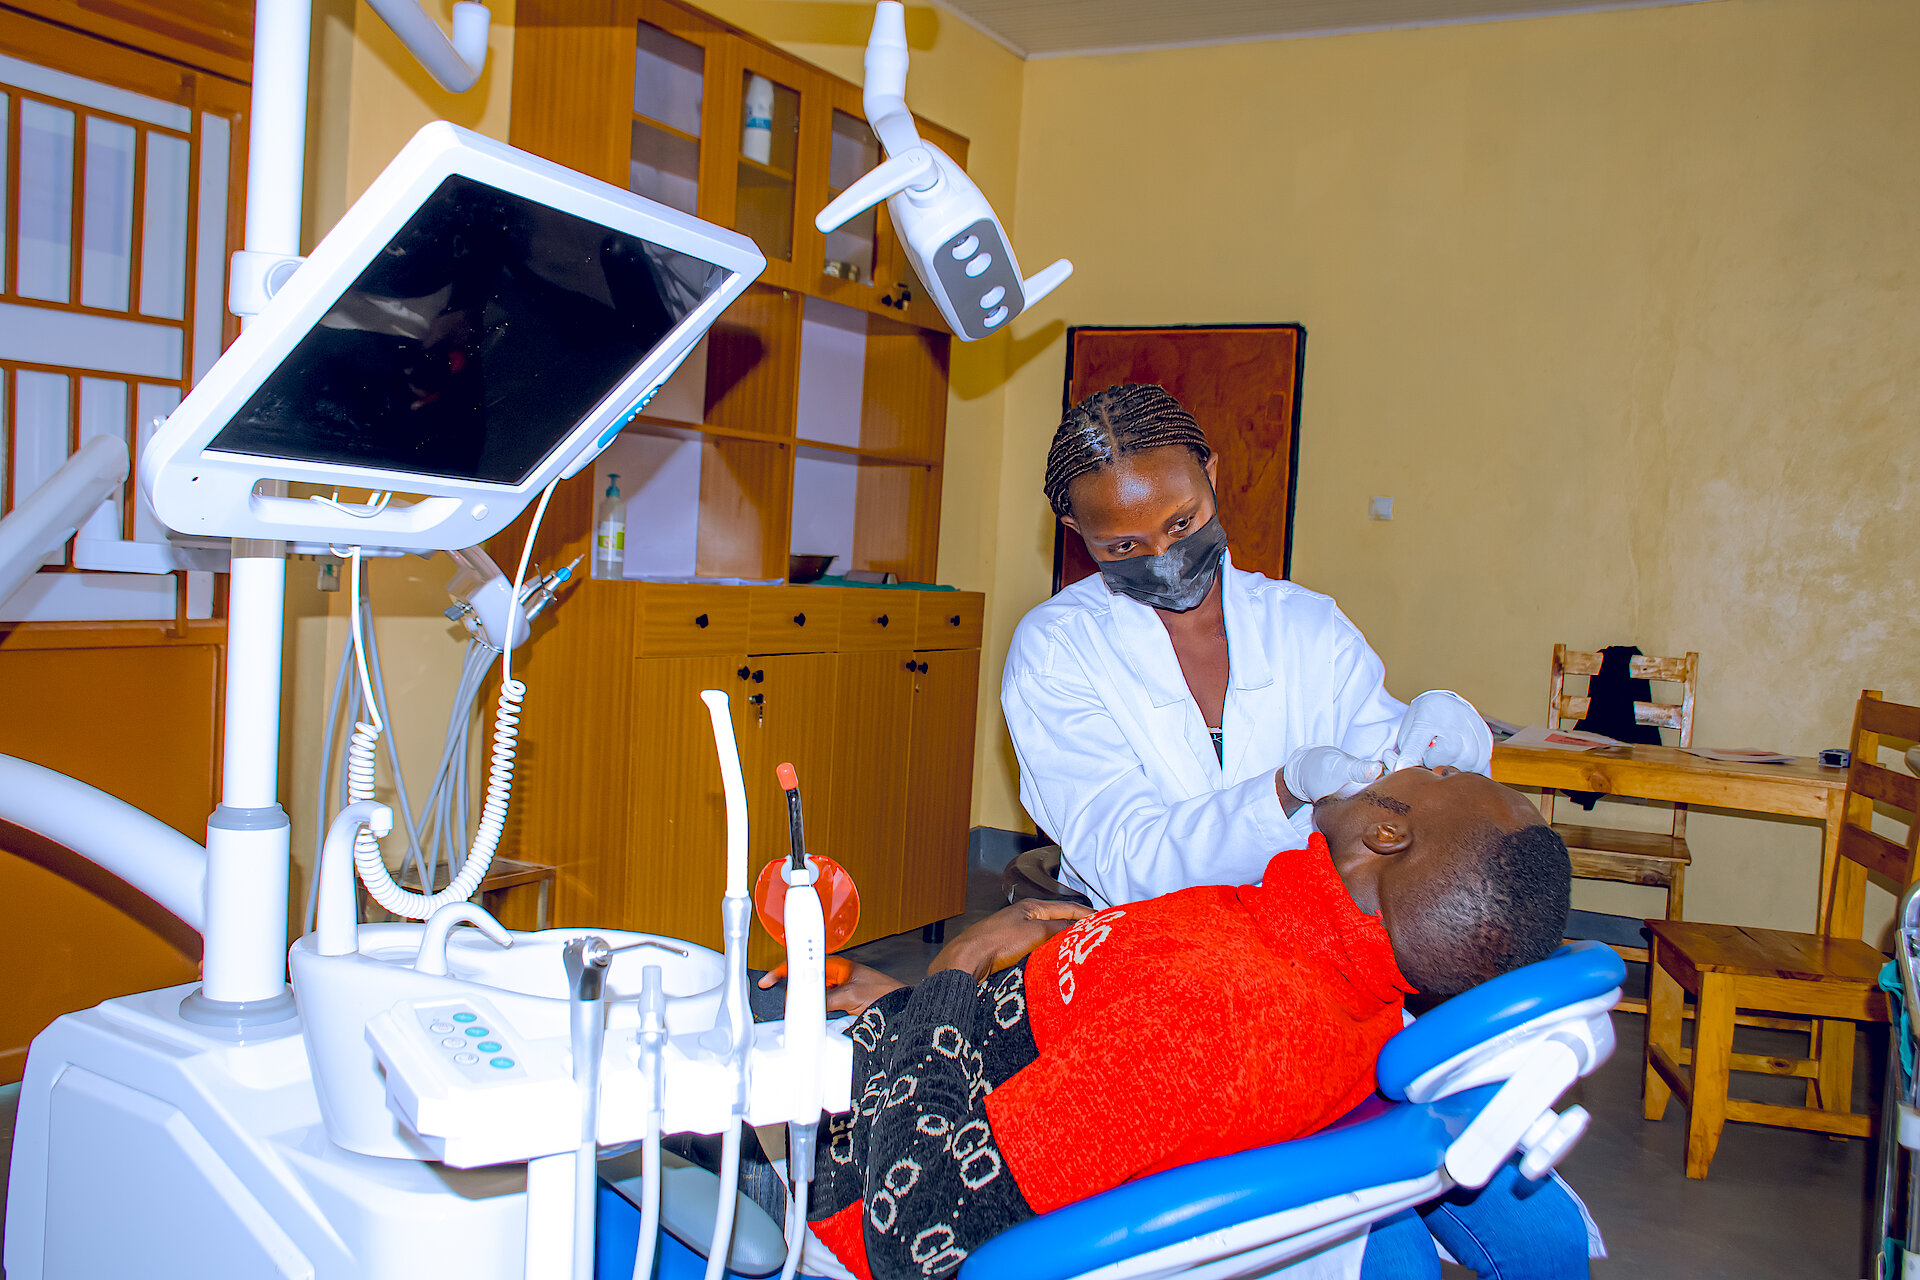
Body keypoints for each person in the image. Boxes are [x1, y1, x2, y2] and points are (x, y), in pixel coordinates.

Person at [797, 767, 1576, 1280]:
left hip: (845, 1186)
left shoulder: (1220, 1021)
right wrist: (910, 1007)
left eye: (1438, 776)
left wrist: (952, 974)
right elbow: (1068, 1043)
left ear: (1387, 836)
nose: (1406, 763)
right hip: (927, 1063)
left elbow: (917, 1233)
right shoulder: (1310, 958)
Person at [1001, 383, 1494, 910]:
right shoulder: (1055, 650)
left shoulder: (1309, 626)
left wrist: (1447, 744)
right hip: (1144, 934)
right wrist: (1283, 790)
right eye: (1124, 546)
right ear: (1076, 529)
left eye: (1182, 523)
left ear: (1210, 475)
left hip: (1306, 929)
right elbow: (1126, 861)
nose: (1165, 559)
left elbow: (1390, 787)